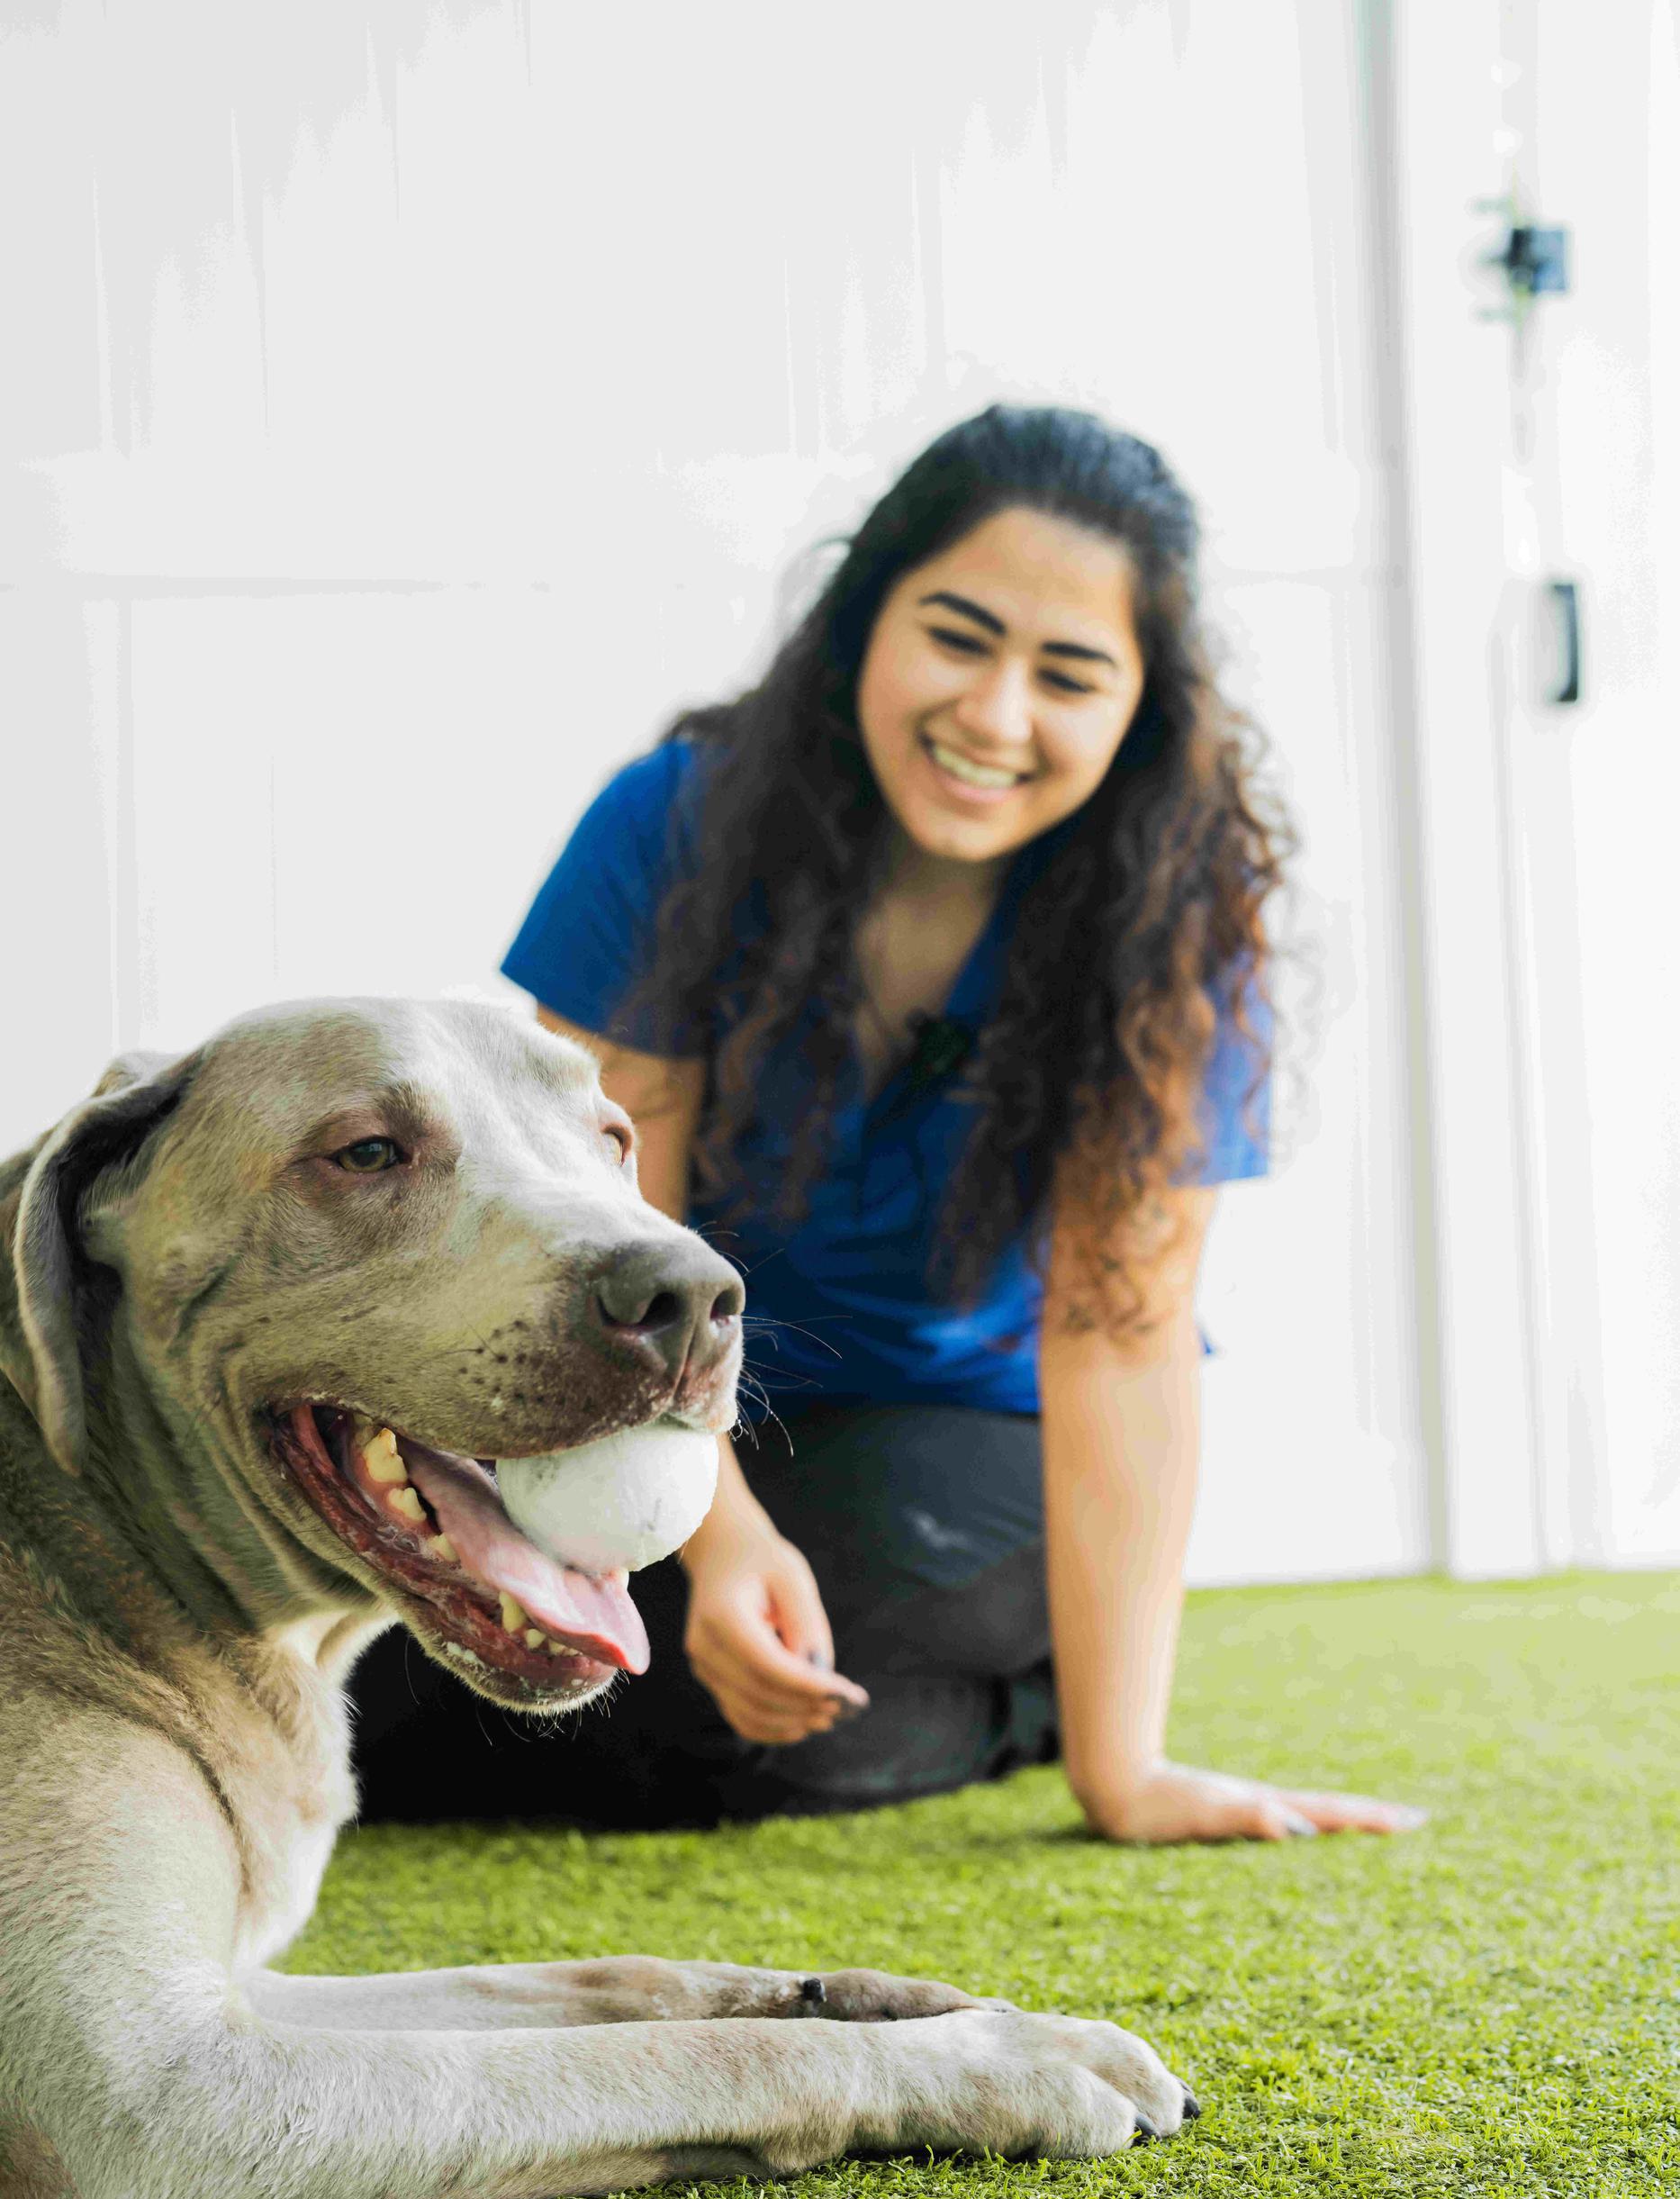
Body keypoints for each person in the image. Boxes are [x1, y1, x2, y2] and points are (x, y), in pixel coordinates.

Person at [348, 403, 1425, 1846]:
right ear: (866, 619)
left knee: (746, 1710)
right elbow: (598, 1245)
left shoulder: (1176, 934)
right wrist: (716, 1535)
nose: (992, 716)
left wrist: (1126, 1775)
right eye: (959, 636)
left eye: (1069, 673)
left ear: (1139, 709)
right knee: (406, 1678)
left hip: (975, 1439)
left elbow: (1119, 1337)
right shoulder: (671, 826)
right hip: (684, 1388)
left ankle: (1028, 1693)